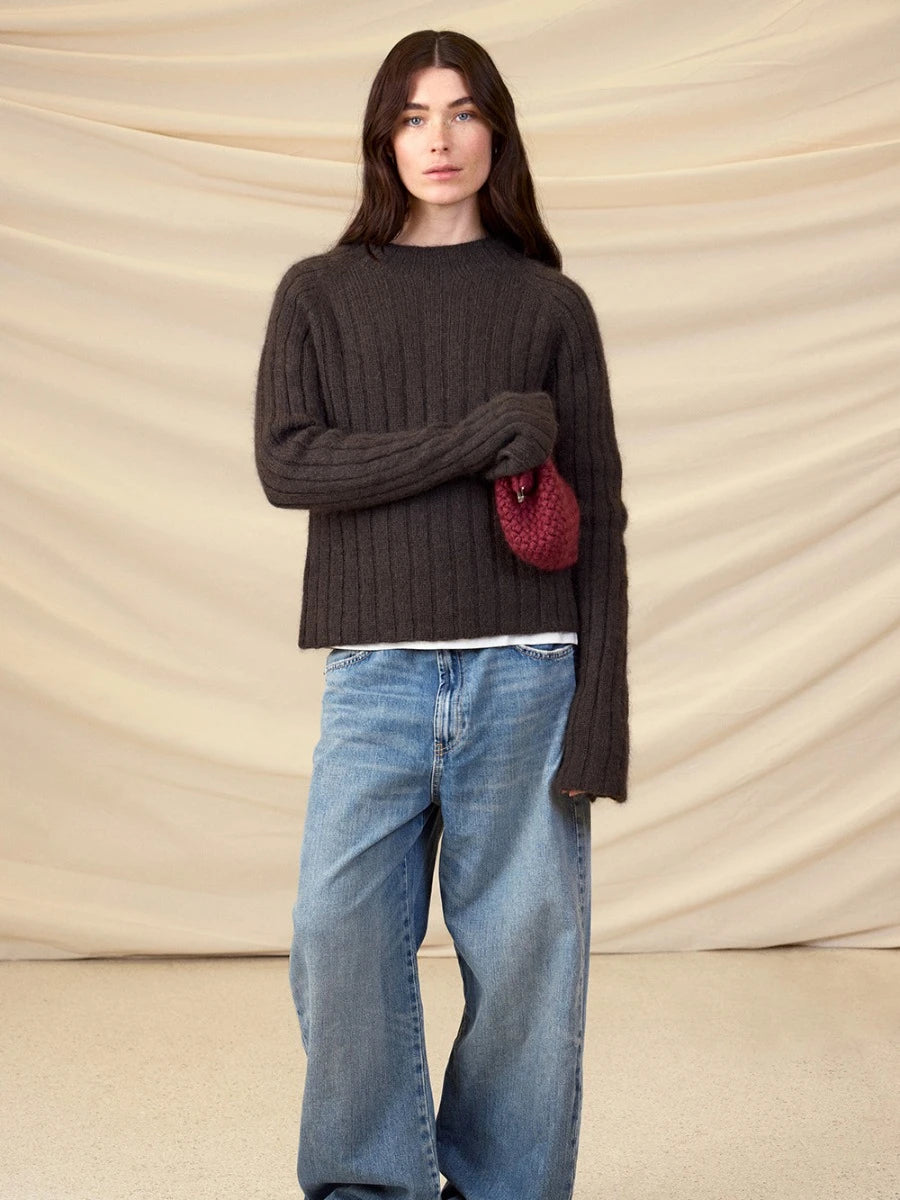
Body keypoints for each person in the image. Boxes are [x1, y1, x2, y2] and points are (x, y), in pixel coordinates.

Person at [254, 28, 629, 1200]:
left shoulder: (549, 305)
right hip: (376, 671)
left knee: (528, 961)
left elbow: (601, 520)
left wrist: (603, 718)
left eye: (463, 112)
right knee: (337, 934)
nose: (440, 138)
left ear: (497, 134)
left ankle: (506, 1185)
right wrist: (474, 440)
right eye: (415, 116)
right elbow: (289, 464)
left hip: (529, 671)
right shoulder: (319, 293)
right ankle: (371, 1183)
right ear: (384, 137)